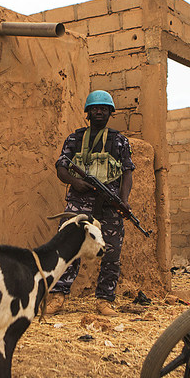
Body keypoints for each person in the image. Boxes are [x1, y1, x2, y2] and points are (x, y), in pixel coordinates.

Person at [46, 90, 135, 317]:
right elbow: (61, 168)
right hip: (80, 200)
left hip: (109, 202)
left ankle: (104, 300)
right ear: (88, 112)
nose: (99, 112)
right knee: (69, 246)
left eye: (104, 109)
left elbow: (127, 173)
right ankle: (57, 297)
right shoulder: (75, 139)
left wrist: (123, 201)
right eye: (95, 108)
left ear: (110, 113)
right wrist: (75, 182)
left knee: (112, 251)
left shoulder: (119, 141)